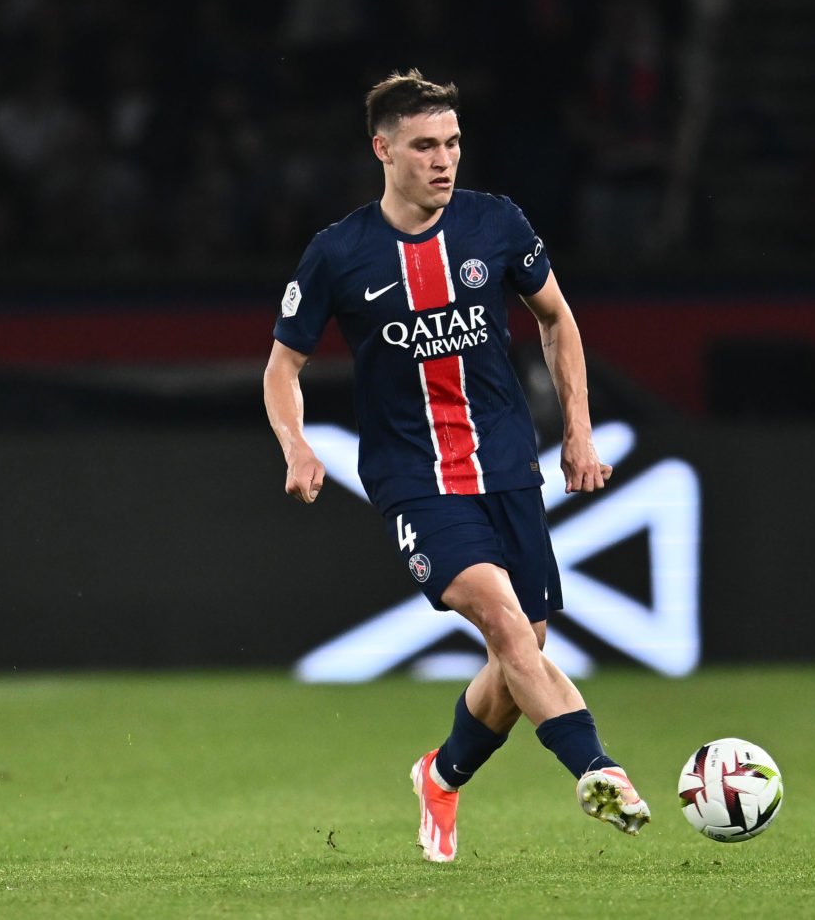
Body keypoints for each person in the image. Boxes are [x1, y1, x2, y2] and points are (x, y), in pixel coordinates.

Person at [262, 70, 650, 863]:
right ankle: (598, 769)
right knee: (509, 627)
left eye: (453, 144)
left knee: (520, 656)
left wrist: (578, 429)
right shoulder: (339, 254)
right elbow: (281, 369)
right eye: (425, 146)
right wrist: (296, 445)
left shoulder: (495, 224)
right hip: (415, 480)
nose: (444, 161)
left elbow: (557, 319)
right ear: (383, 150)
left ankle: (440, 775)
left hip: (508, 469)